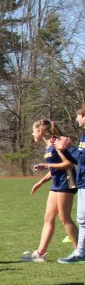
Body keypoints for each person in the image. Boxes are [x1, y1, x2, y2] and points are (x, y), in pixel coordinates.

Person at [22, 119, 77, 262]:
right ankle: (40, 254)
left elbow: (69, 164)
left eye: (33, 131)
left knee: (65, 218)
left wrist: (46, 166)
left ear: (40, 131)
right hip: (57, 184)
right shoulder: (48, 147)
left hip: (66, 183)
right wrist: (40, 182)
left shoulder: (56, 143)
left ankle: (80, 251)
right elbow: (53, 168)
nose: (32, 134)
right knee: (48, 218)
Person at [56, 106, 85, 263]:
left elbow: (83, 158)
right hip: (82, 182)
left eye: (79, 116)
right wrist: (64, 150)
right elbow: (77, 160)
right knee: (82, 218)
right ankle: (80, 251)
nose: (77, 119)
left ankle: (80, 252)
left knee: (83, 218)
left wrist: (69, 147)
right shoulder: (83, 136)